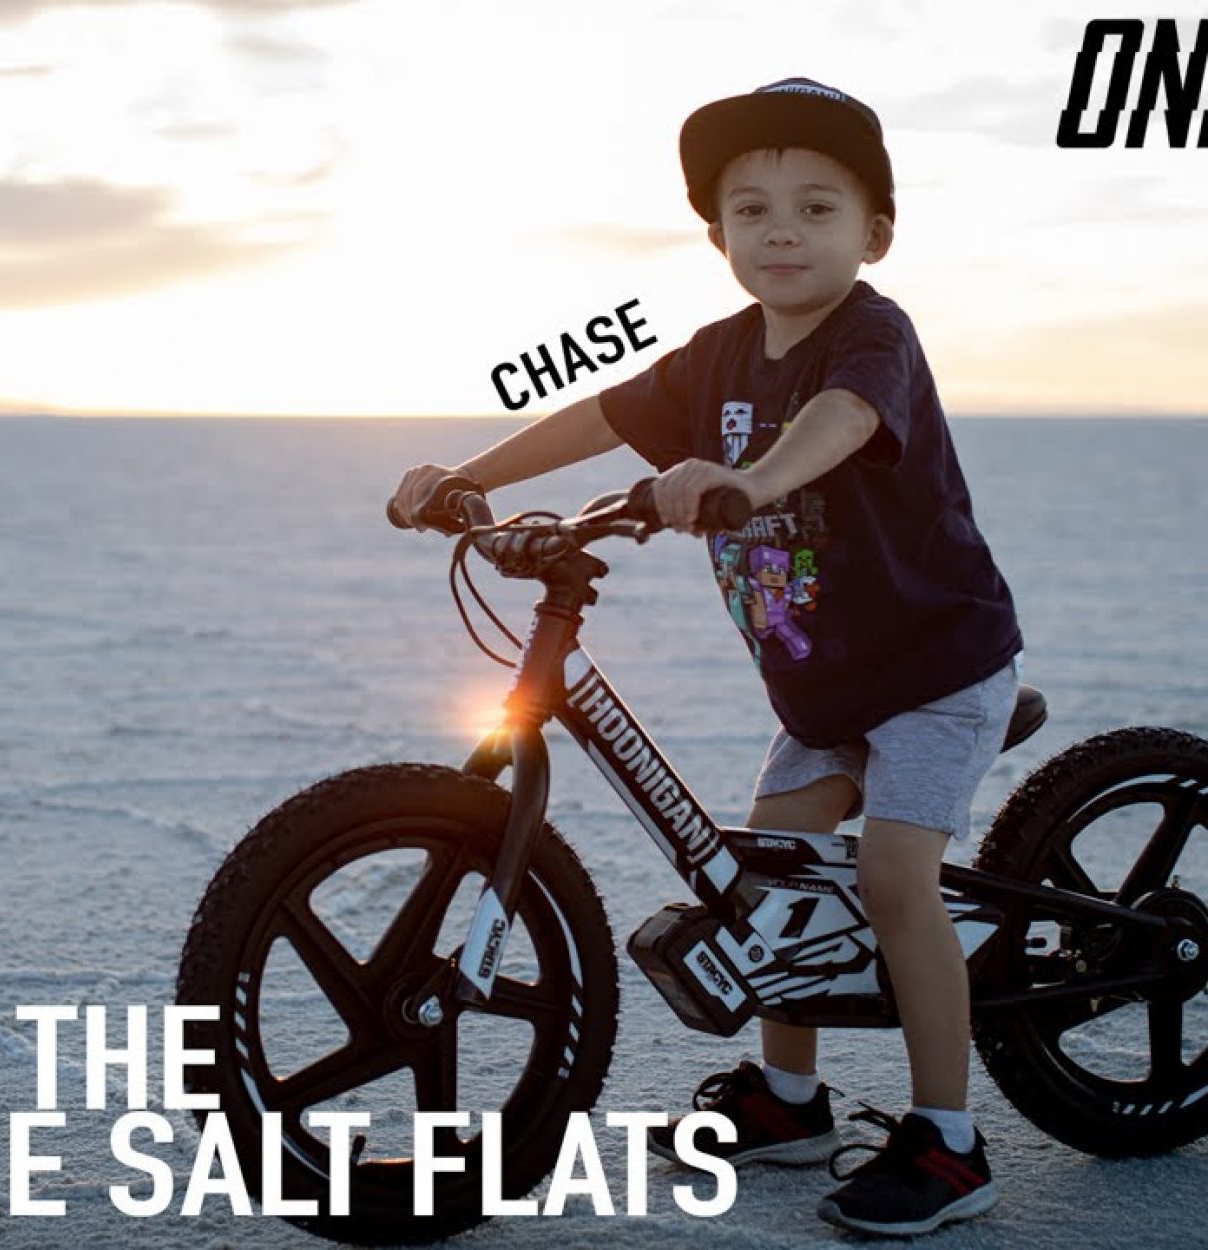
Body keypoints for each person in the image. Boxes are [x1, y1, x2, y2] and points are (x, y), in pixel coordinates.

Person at [389, 77, 1022, 1238]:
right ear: (718, 233)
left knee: (888, 879)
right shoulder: (718, 355)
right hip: (826, 687)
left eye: (818, 207)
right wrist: (473, 475)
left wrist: (753, 479)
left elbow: (843, 422)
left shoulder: (871, 334)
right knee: (768, 881)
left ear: (874, 232)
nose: (782, 228)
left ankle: (950, 1138)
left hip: (937, 665)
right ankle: (792, 1100)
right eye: (752, 208)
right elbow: (601, 416)